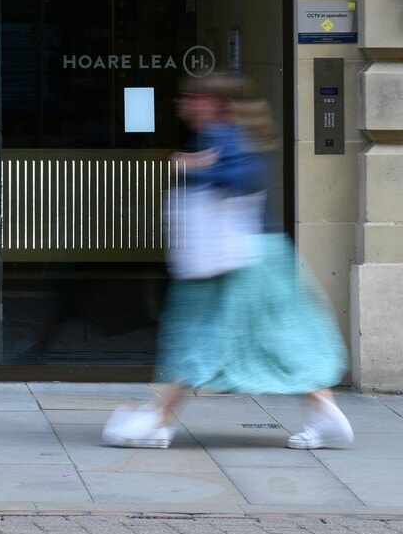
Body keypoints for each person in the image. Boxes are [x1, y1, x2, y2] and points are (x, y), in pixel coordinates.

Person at [103, 74, 353, 452]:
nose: (183, 104)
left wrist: (194, 167)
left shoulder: (226, 135)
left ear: (215, 104)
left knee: (200, 338)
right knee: (264, 338)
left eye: (192, 97)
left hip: (236, 259)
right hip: (243, 256)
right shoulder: (222, 135)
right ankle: (326, 414)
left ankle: (158, 419)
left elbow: (244, 177)